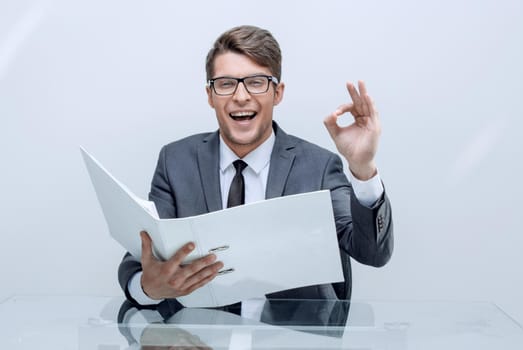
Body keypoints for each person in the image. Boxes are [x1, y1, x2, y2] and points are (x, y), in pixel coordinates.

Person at [118, 25, 393, 316]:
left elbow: (372, 253)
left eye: (256, 82)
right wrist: (149, 289)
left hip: (294, 339)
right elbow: (137, 263)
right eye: (225, 83)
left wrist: (363, 169)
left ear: (278, 93)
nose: (240, 96)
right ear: (210, 95)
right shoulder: (175, 162)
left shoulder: (319, 167)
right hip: (195, 339)